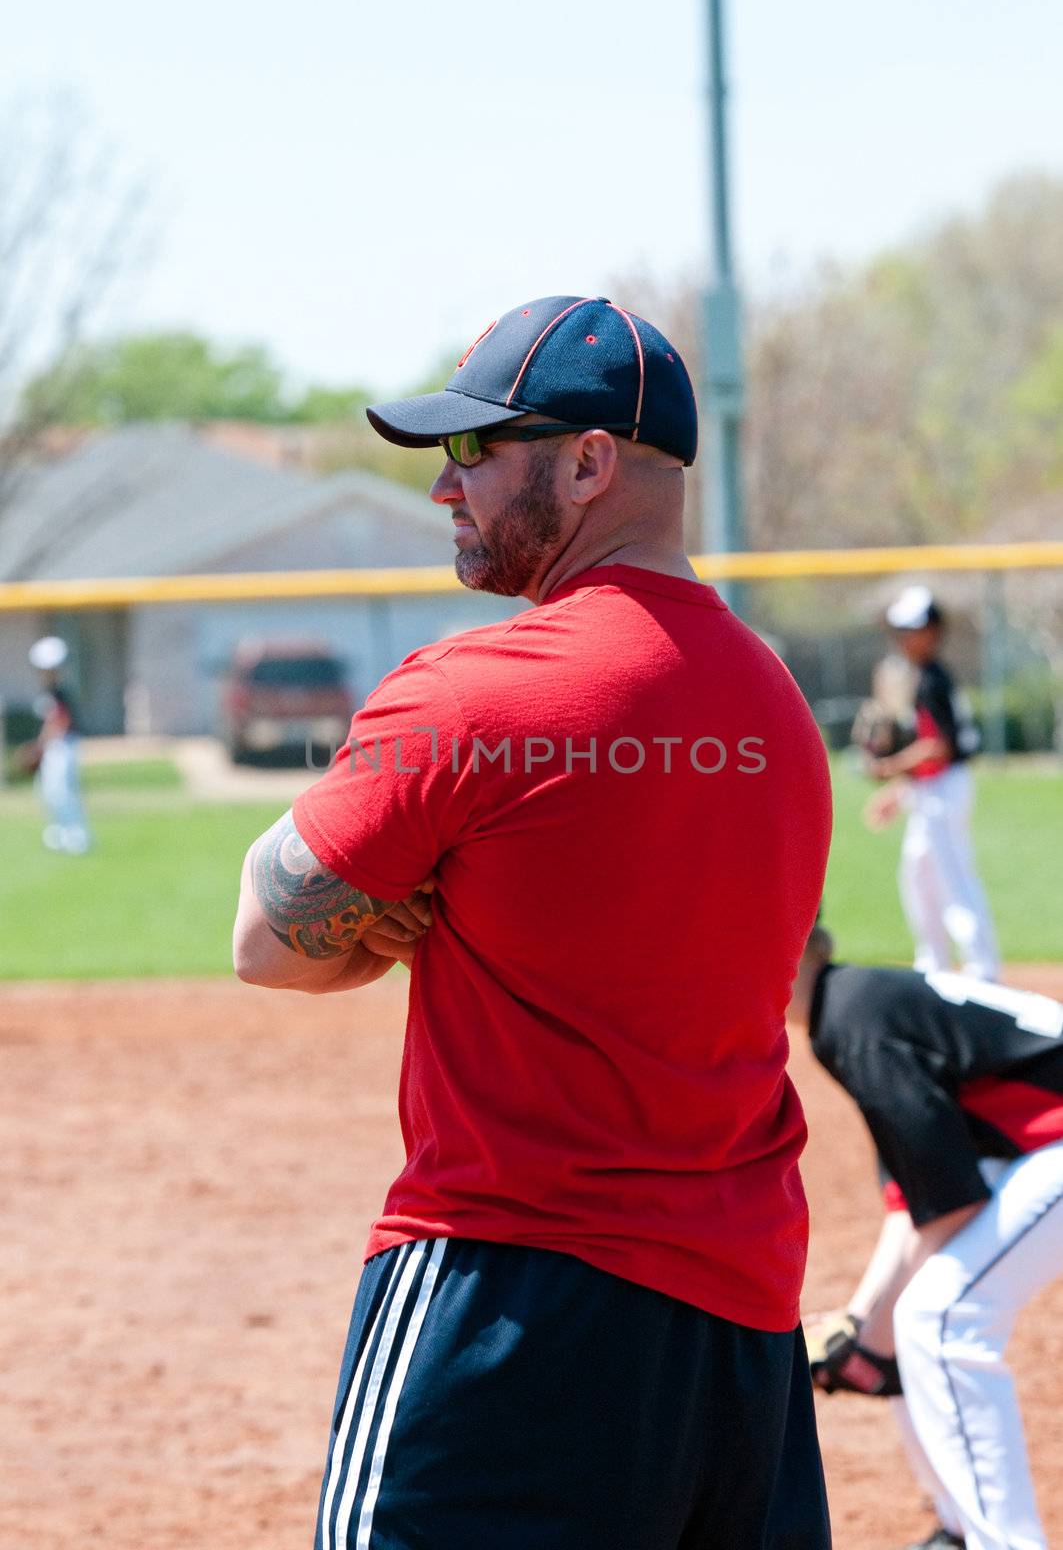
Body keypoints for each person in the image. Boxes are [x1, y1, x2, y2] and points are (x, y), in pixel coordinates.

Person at [233, 294, 833, 1549]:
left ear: (587, 460)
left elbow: (266, 936)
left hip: (506, 1302)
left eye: (471, 451)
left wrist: (403, 915)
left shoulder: (481, 689)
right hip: (740, 1337)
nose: (446, 490)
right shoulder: (776, 705)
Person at [790, 923, 1063, 1550]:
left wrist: (860, 1320)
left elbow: (948, 1205)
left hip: (1047, 1143)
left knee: (940, 1320)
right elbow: (917, 1197)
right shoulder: (859, 1003)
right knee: (901, 1333)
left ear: (797, 947)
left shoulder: (852, 1025)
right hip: (1031, 1147)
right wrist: (863, 1328)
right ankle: (961, 1527)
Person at [863, 585, 998, 979]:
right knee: (918, 874)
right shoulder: (922, 676)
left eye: (913, 630)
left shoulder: (932, 680)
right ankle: (935, 963)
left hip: (946, 787)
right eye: (900, 630)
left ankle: (982, 968)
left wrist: (890, 768)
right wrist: (898, 792)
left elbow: (937, 747)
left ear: (933, 631)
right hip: (932, 788)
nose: (904, 638)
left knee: (951, 875)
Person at [20, 635, 91, 855]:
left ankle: (75, 835)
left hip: (62, 746)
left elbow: (59, 723)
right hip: (55, 747)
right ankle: (59, 831)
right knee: (49, 792)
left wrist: (39, 746)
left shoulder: (60, 692)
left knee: (61, 791)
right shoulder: (50, 691)